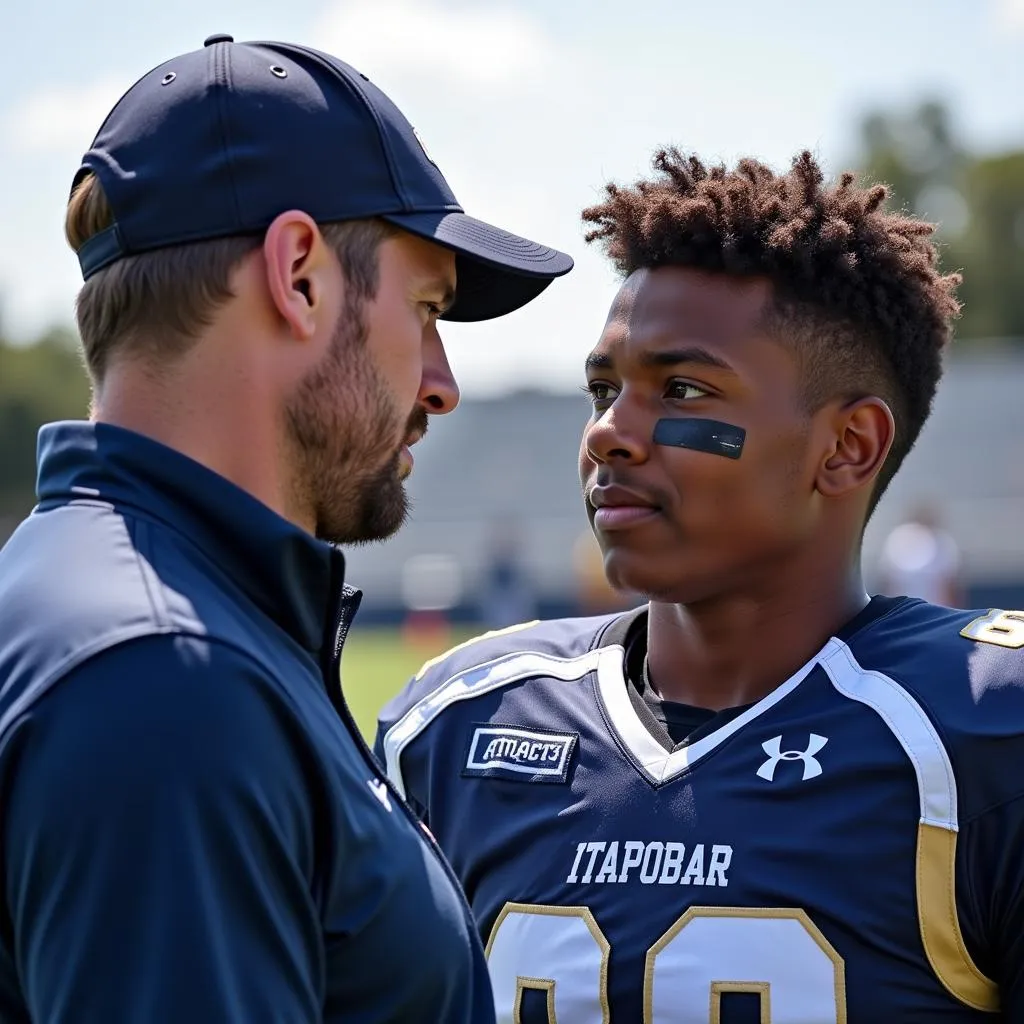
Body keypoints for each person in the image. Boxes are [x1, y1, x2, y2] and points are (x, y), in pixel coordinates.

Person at [0, 33, 572, 1024]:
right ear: (299, 274)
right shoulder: (164, 674)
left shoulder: (134, 607)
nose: (441, 382)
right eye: (427, 308)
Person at [376, 149, 1024, 1020]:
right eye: (602, 389)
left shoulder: (985, 736)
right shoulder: (453, 726)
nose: (609, 433)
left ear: (847, 447)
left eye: (681, 389)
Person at [877, 500, 964, 605]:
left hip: (934, 609)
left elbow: (951, 584)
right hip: (903, 610)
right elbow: (887, 580)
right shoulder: (898, 538)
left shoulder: (943, 541)